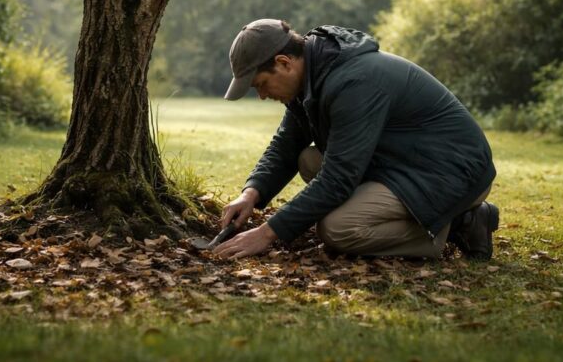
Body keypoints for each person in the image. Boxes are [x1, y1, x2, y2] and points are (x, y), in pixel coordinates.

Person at [213, 19, 498, 261]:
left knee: (338, 229)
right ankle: (440, 218)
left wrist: (268, 233)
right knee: (309, 160)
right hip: (402, 163)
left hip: (450, 172)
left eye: (261, 85)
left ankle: (456, 224)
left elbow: (339, 178)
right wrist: (251, 193)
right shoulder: (313, 76)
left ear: (284, 62)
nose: (262, 96)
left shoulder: (353, 83)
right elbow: (287, 144)